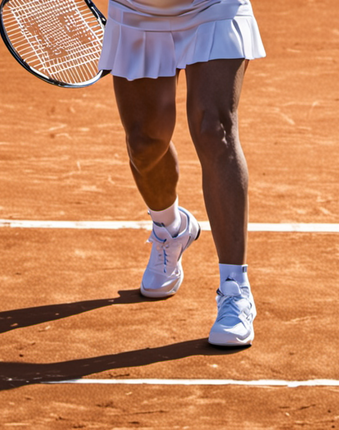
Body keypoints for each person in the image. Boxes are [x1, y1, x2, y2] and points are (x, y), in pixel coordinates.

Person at [97, 0, 265, 346]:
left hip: (212, 5)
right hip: (139, 9)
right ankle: (170, 229)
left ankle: (235, 291)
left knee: (213, 129)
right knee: (144, 143)